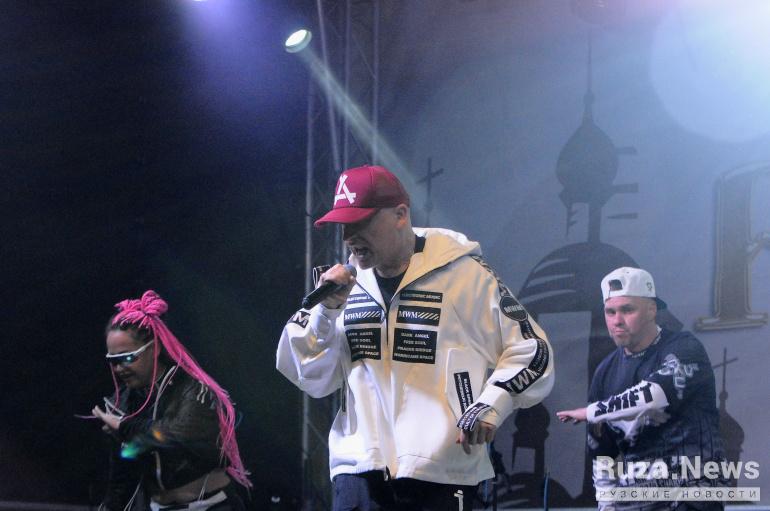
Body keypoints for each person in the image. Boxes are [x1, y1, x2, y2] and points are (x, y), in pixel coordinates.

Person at [277, 164, 555, 510]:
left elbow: (533, 349)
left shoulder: (464, 274)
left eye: (361, 222)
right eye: (344, 225)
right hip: (358, 472)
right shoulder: (341, 288)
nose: (349, 236)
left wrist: (492, 403)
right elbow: (309, 374)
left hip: (443, 473)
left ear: (400, 214)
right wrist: (325, 311)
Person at [557, 267, 726, 511]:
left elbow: (655, 395)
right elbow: (602, 452)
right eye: (610, 311)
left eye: (627, 310)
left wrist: (592, 411)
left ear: (651, 310)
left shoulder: (684, 348)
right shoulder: (605, 371)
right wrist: (606, 505)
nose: (617, 320)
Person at [90, 290, 250, 511]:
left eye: (127, 358)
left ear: (154, 348)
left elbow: (175, 434)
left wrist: (124, 426)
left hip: (211, 506)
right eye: (113, 361)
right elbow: (122, 474)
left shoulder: (194, 388)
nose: (119, 368)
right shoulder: (123, 403)